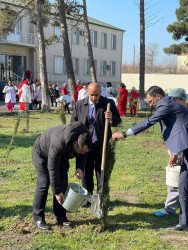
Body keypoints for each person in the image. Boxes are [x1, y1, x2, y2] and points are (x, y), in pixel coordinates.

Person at [112, 85, 188, 231]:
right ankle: (184, 223)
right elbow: (177, 127)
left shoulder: (165, 104)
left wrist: (125, 133)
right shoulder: (170, 104)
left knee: (184, 184)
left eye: (151, 101)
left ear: (157, 96)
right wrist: (174, 152)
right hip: (184, 146)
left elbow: (149, 122)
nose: (151, 105)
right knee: (183, 185)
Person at [32, 122, 92, 230]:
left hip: (62, 156)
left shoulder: (85, 138)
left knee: (63, 183)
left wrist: (79, 167)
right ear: (75, 143)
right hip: (42, 154)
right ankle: (38, 218)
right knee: (44, 183)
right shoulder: (58, 143)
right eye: (81, 151)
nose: (83, 153)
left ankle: (61, 216)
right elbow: (53, 167)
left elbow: (84, 153)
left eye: (85, 151)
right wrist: (56, 191)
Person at [71, 82, 121, 207]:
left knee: (101, 170)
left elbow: (118, 120)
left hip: (101, 143)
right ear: (87, 93)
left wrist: (111, 119)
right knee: (86, 170)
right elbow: (73, 124)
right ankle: (87, 198)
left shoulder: (108, 103)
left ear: (100, 93)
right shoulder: (79, 105)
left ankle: (101, 198)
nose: (94, 98)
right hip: (85, 145)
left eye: (97, 95)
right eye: (91, 95)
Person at [153, 88, 188, 217]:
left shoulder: (182, 112)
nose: (172, 103)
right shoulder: (176, 111)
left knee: (177, 176)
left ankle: (170, 208)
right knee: (176, 175)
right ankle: (170, 207)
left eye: (175, 100)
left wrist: (175, 153)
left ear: (182, 100)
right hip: (177, 148)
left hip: (182, 149)